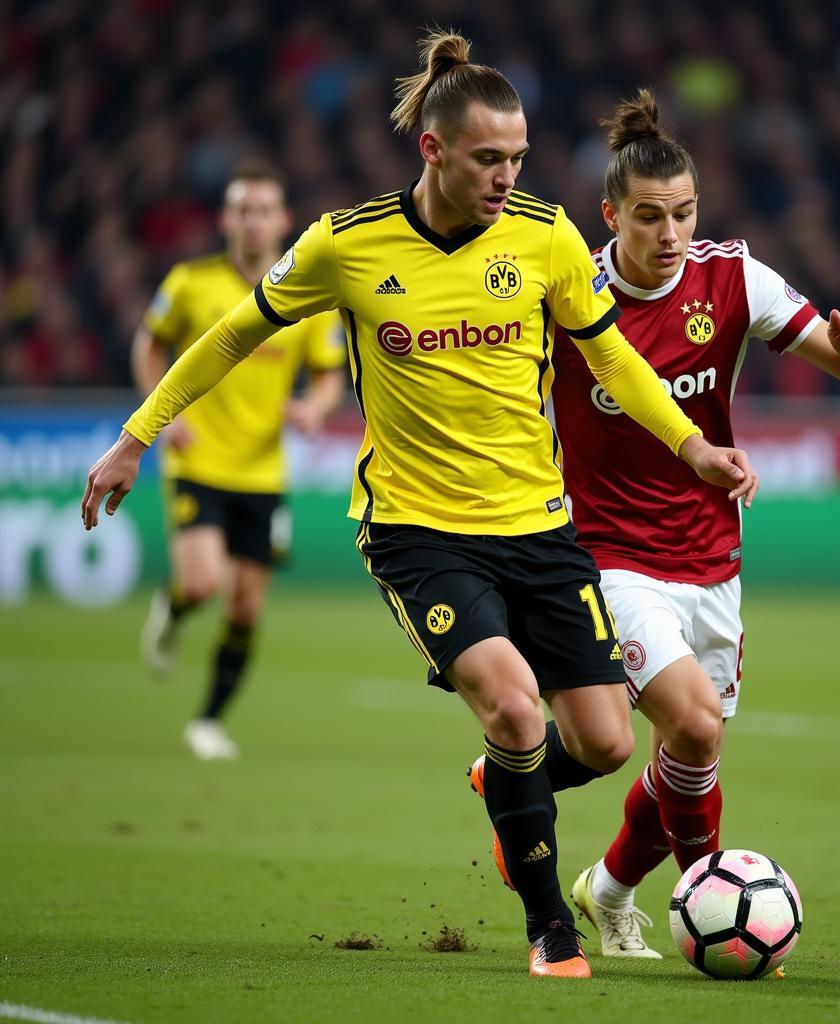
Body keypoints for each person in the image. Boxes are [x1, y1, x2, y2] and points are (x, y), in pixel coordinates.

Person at [81, 32, 758, 978]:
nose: (507, 174)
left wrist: (692, 446)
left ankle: (503, 786)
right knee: (518, 711)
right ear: (433, 149)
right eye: (489, 157)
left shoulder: (546, 235)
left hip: (540, 525)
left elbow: (609, 355)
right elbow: (233, 335)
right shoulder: (347, 244)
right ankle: (548, 931)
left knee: (603, 742)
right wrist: (136, 437)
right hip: (419, 532)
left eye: (518, 156)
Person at [551, 90, 840, 958]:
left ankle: (609, 888)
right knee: (695, 729)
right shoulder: (569, 296)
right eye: (650, 217)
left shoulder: (734, 277)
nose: (670, 234)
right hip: (611, 556)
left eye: (685, 213)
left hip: (713, 560)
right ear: (610, 215)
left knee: (686, 760)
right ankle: (711, 919)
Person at [131, 159, 345, 760]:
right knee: (202, 582)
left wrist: (314, 408)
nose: (253, 222)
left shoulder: (305, 297)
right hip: (199, 462)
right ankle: (173, 609)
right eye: (242, 210)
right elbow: (148, 344)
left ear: (282, 220)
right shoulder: (189, 282)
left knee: (246, 604)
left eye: (264, 211)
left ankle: (208, 720)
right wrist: (164, 413)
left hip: (262, 470)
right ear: (226, 219)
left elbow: (329, 377)